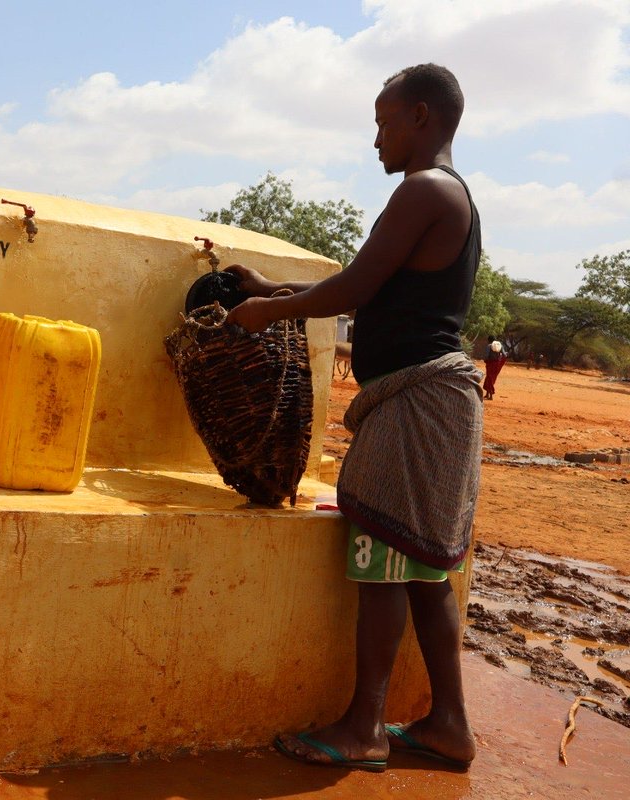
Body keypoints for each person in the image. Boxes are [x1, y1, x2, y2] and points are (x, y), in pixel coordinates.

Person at [226, 63, 482, 772]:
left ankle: (364, 728)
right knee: (424, 571)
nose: (376, 137)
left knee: (384, 559)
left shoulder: (424, 190)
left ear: (421, 116)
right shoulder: (443, 195)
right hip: (430, 404)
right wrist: (272, 286)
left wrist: (269, 310)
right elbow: (377, 293)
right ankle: (449, 727)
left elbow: (357, 286)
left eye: (383, 119)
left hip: (413, 405)